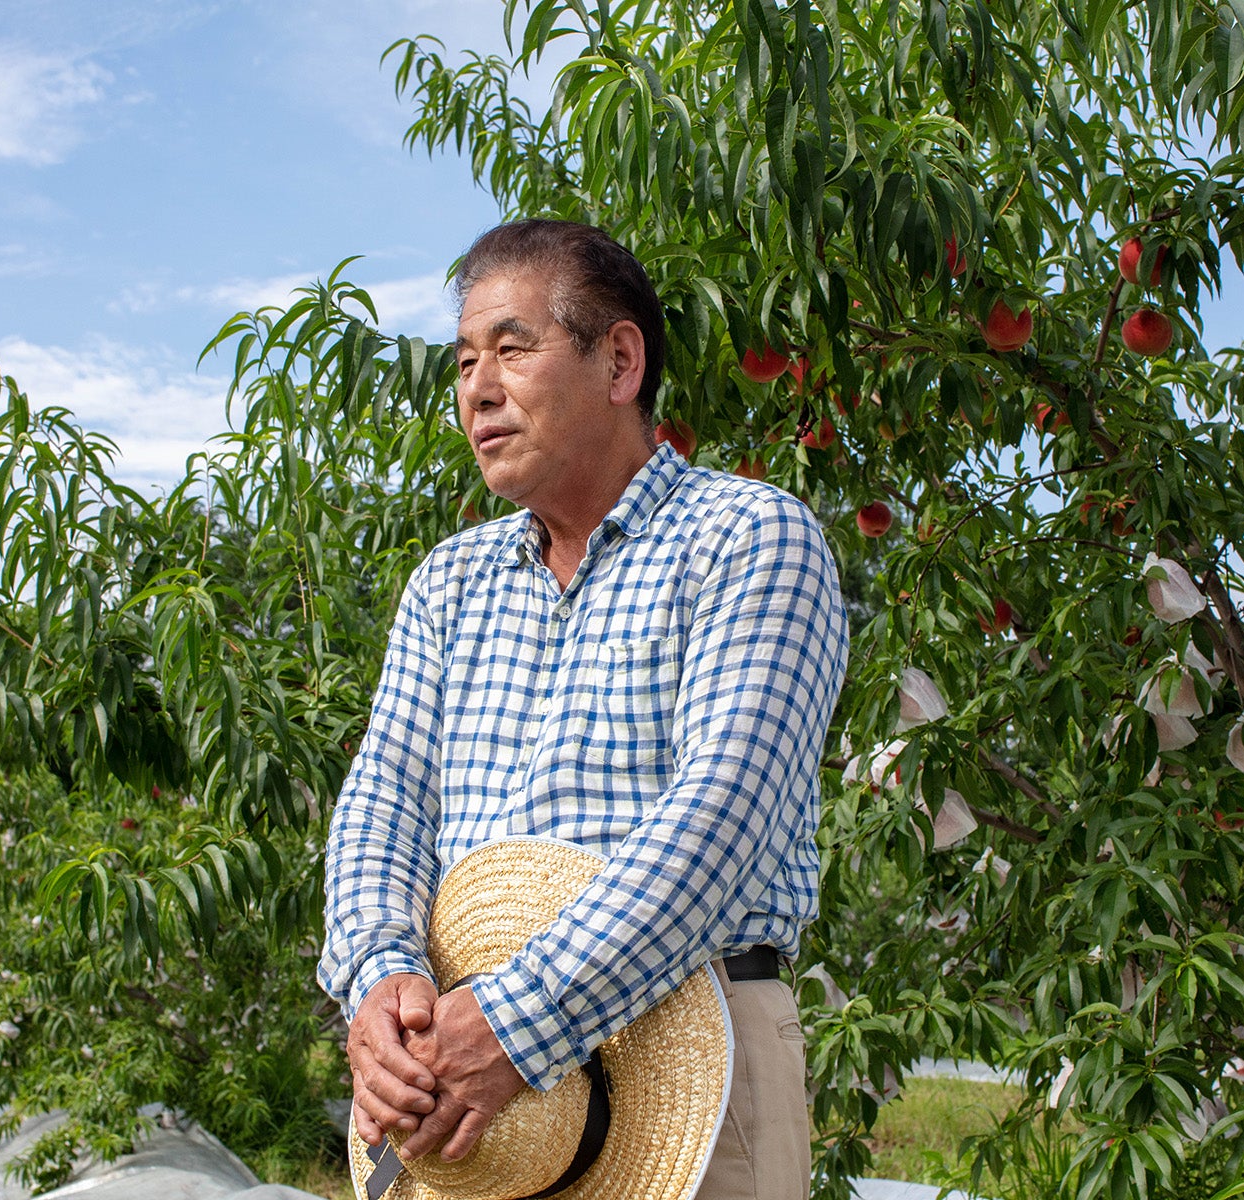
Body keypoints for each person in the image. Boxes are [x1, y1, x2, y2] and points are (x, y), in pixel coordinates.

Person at [318, 218, 848, 1200]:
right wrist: (383, 978)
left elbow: (720, 826)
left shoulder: (744, 539)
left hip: (695, 1051)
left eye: (511, 349)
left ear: (619, 361)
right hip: (474, 1099)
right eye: (466, 360)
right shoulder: (450, 582)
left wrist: (515, 1023)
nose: (477, 389)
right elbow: (383, 805)